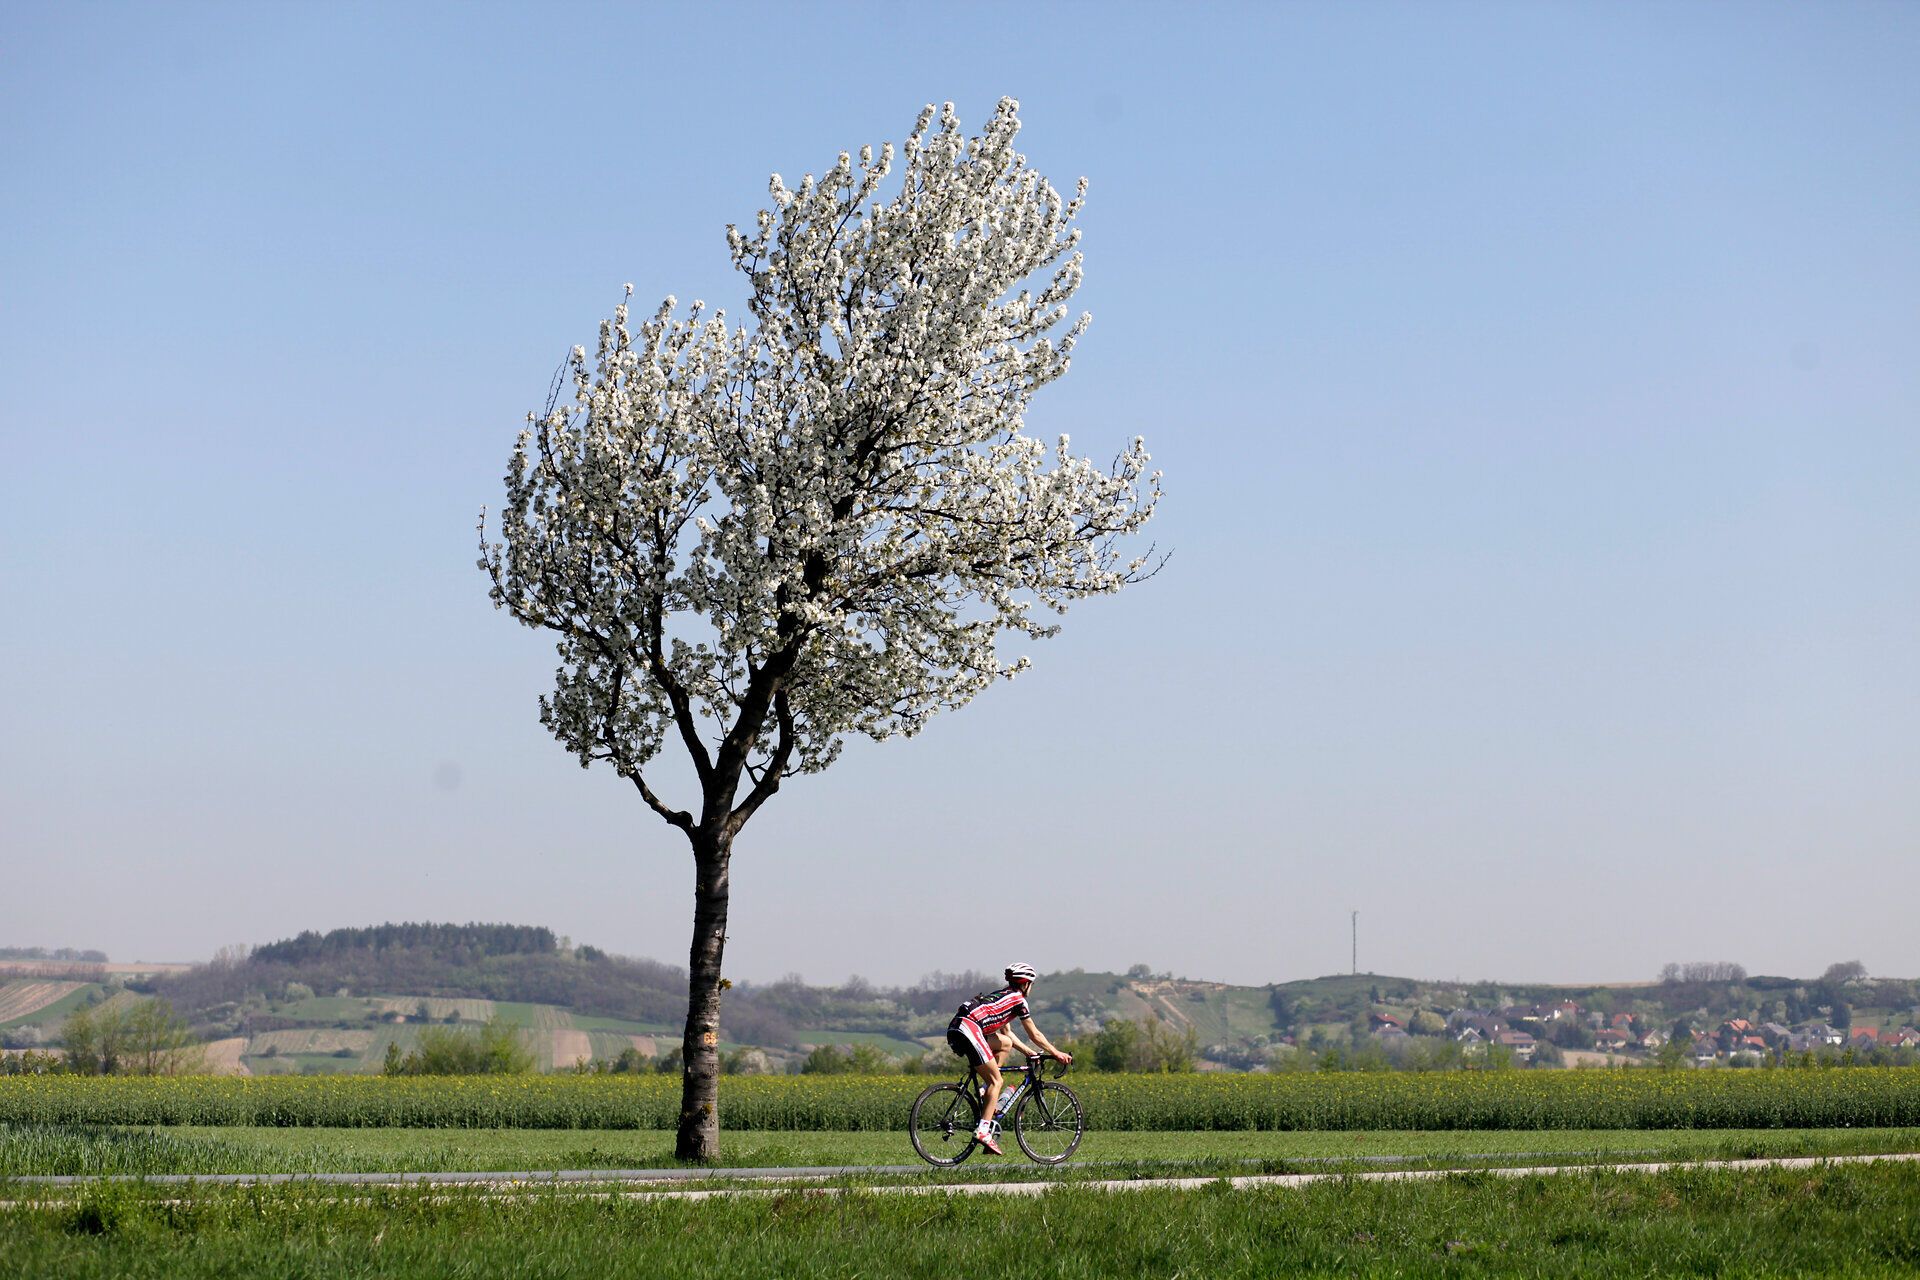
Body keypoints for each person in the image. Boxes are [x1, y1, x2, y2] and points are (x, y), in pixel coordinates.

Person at [945, 962, 1073, 1154]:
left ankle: (985, 1090)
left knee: (1004, 1043)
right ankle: (983, 1131)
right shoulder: (1018, 1000)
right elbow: (1034, 1034)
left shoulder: (1002, 997)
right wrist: (1056, 1053)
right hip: (970, 1030)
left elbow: (1008, 1037)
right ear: (1026, 984)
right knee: (997, 1081)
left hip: (958, 1028)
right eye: (1031, 984)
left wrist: (1029, 1053)